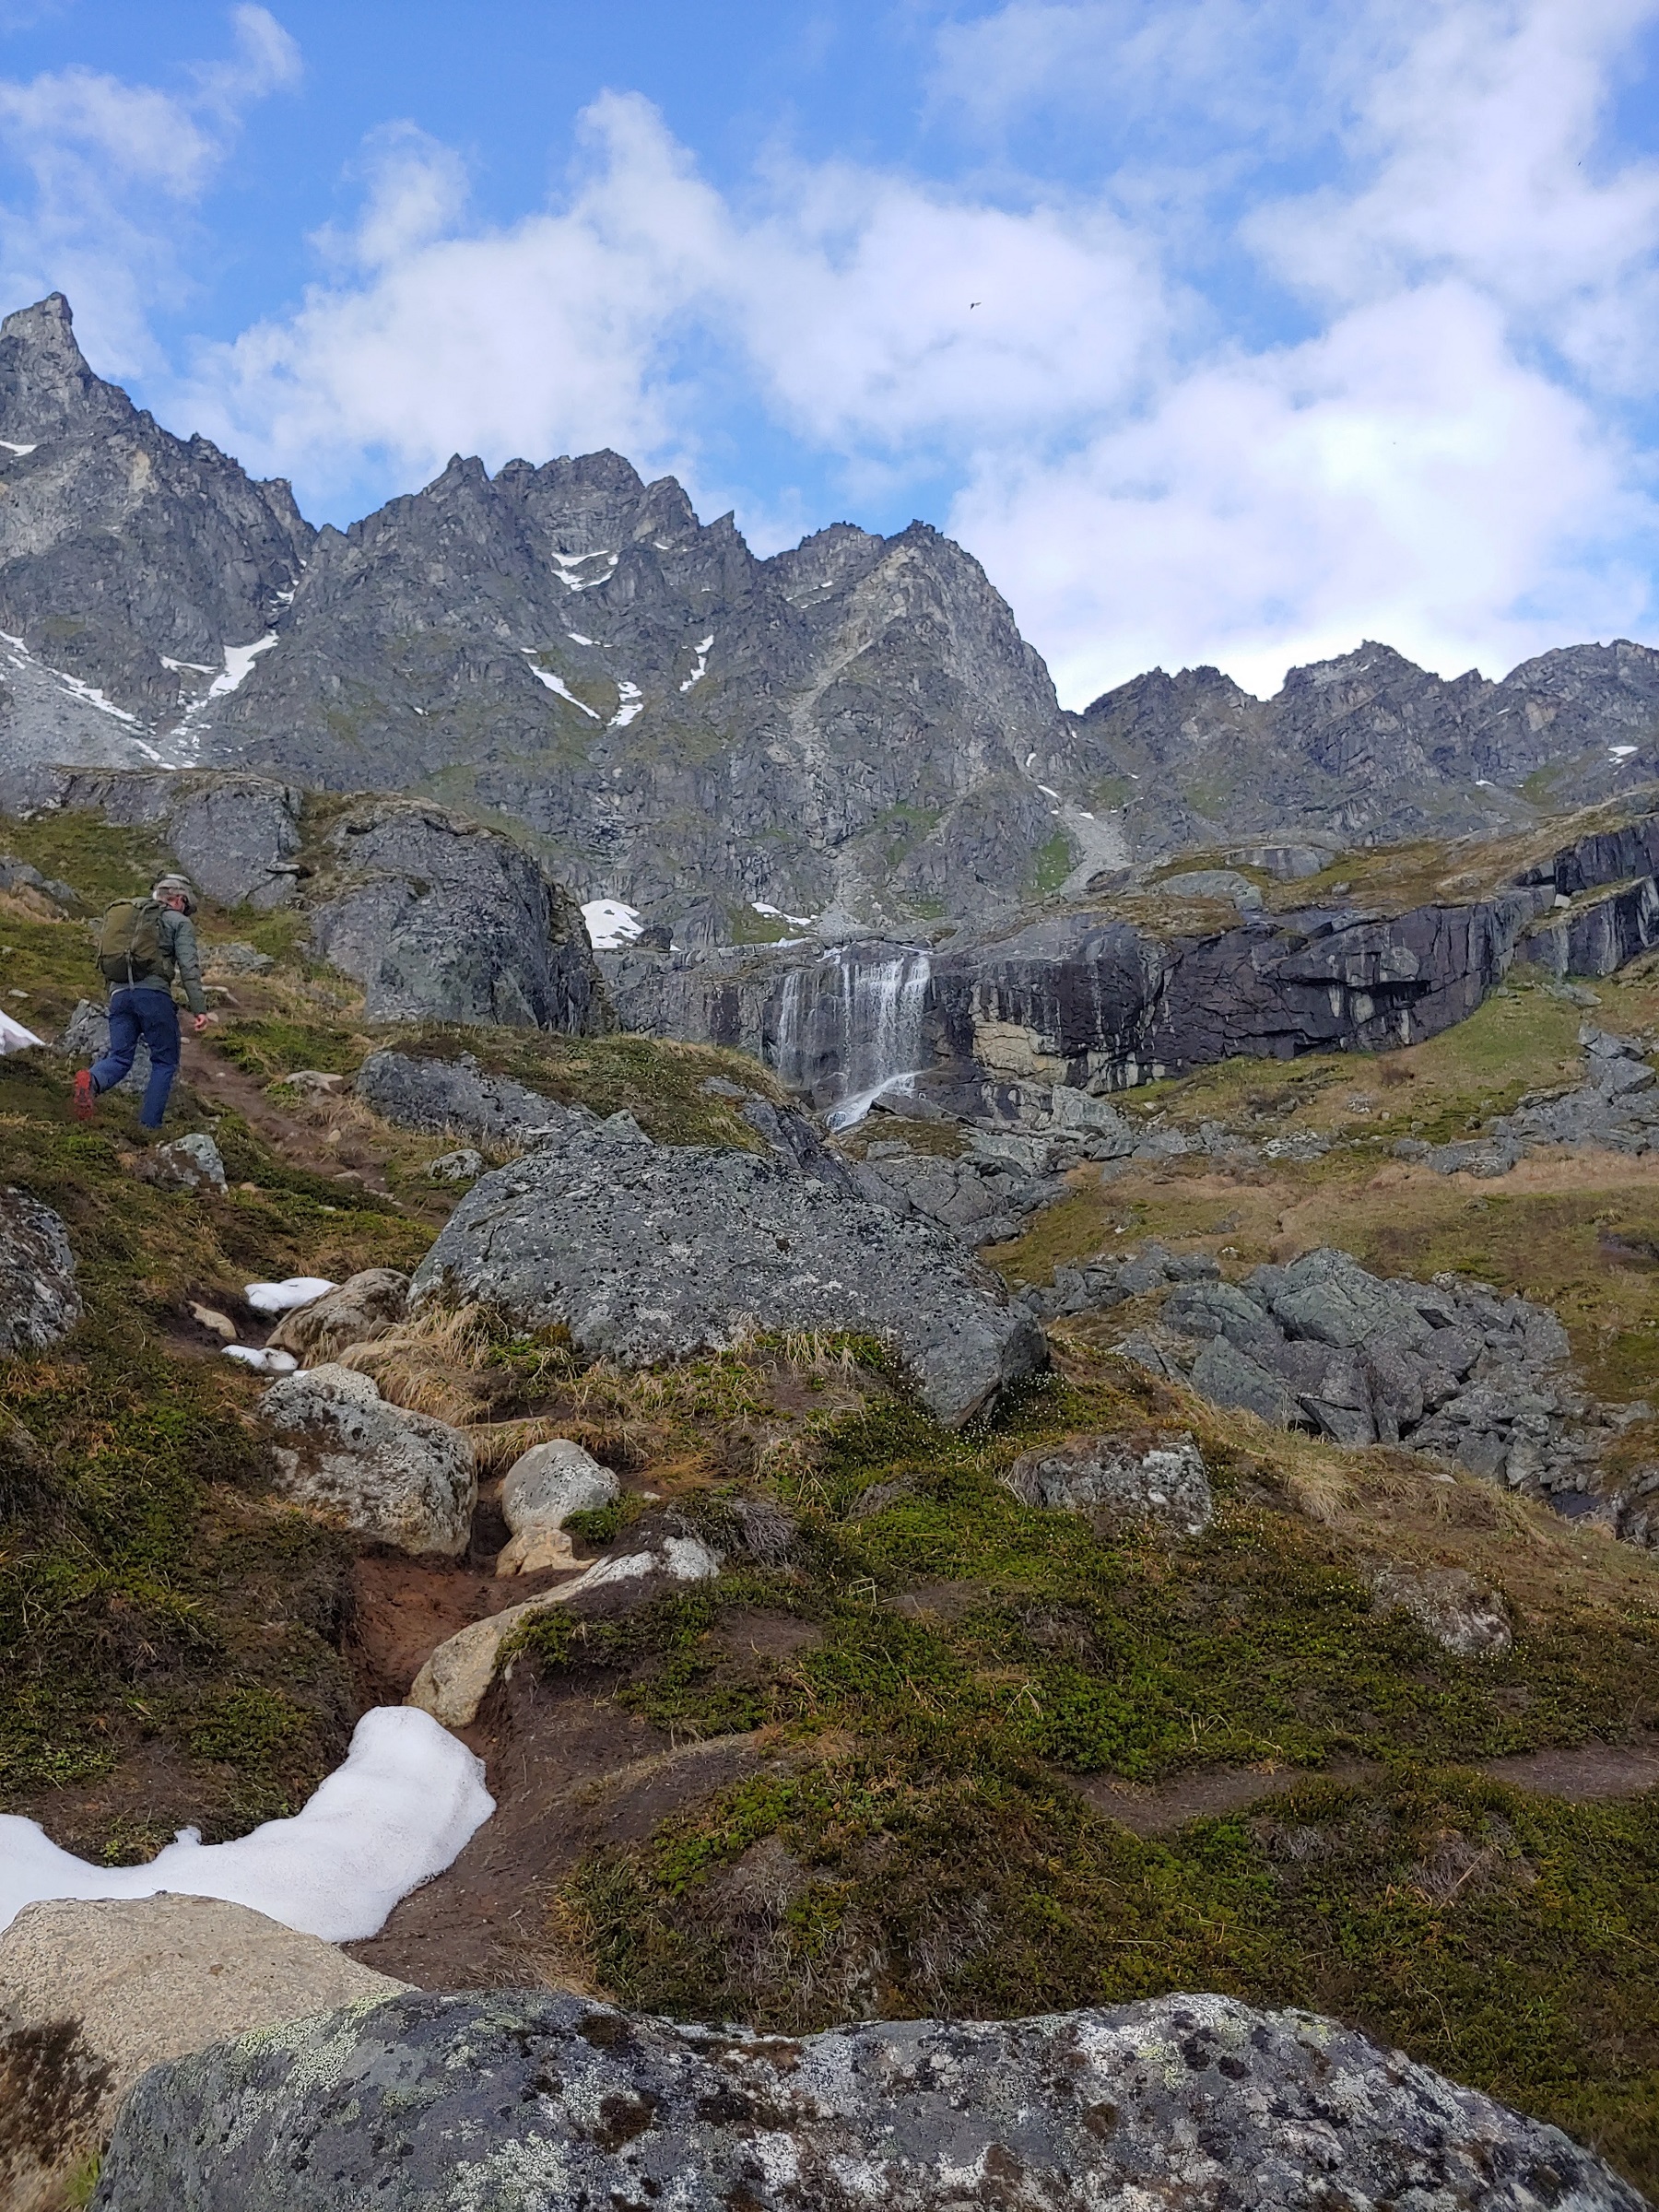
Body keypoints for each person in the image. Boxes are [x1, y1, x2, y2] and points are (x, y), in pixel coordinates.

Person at [72, 873, 210, 1130]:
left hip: (119, 996)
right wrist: (199, 1009)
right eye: (187, 907)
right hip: (153, 997)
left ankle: (90, 1082)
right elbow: (189, 968)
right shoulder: (177, 922)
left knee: (121, 1057)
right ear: (179, 900)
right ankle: (149, 1126)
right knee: (164, 1061)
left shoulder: (129, 919)